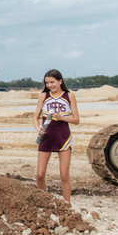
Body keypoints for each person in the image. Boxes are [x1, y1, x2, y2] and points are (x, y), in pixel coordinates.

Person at [34, 69, 80, 202]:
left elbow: (76, 120)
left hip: (63, 137)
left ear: (60, 81)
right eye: (47, 83)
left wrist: (61, 117)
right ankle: (42, 201)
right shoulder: (43, 96)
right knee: (40, 174)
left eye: (52, 82)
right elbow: (35, 117)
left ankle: (67, 205)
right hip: (46, 137)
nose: (49, 85)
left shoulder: (69, 96)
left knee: (64, 175)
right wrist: (38, 128)